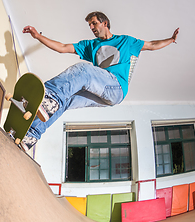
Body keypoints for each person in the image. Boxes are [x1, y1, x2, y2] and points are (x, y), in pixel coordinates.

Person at [20, 11, 179, 151]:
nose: (92, 27)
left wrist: (171, 40)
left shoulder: (126, 41)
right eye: (90, 25)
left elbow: (151, 45)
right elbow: (62, 47)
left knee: (84, 70)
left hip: (116, 88)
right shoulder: (90, 45)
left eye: (94, 23)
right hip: (101, 94)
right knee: (67, 99)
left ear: (105, 23)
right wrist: (38, 36)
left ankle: (49, 97)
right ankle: (31, 135)